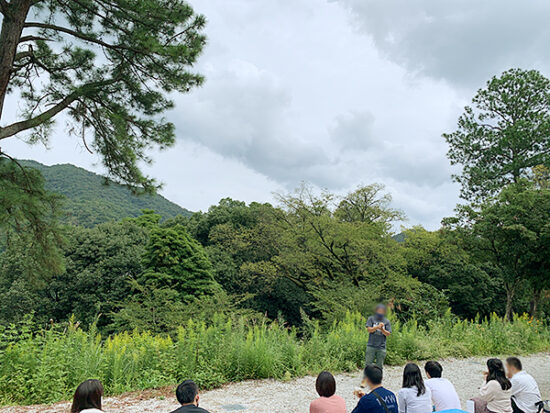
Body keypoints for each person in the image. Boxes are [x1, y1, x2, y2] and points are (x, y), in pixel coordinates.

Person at [365, 304, 392, 369]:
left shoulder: (386, 321)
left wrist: (382, 329)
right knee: (368, 364)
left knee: (379, 366)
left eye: (382, 311)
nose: (380, 312)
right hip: (371, 345)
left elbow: (388, 333)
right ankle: (367, 377)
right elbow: (369, 330)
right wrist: (377, 327)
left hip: (381, 347)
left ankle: (378, 377)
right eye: (379, 310)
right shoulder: (371, 319)